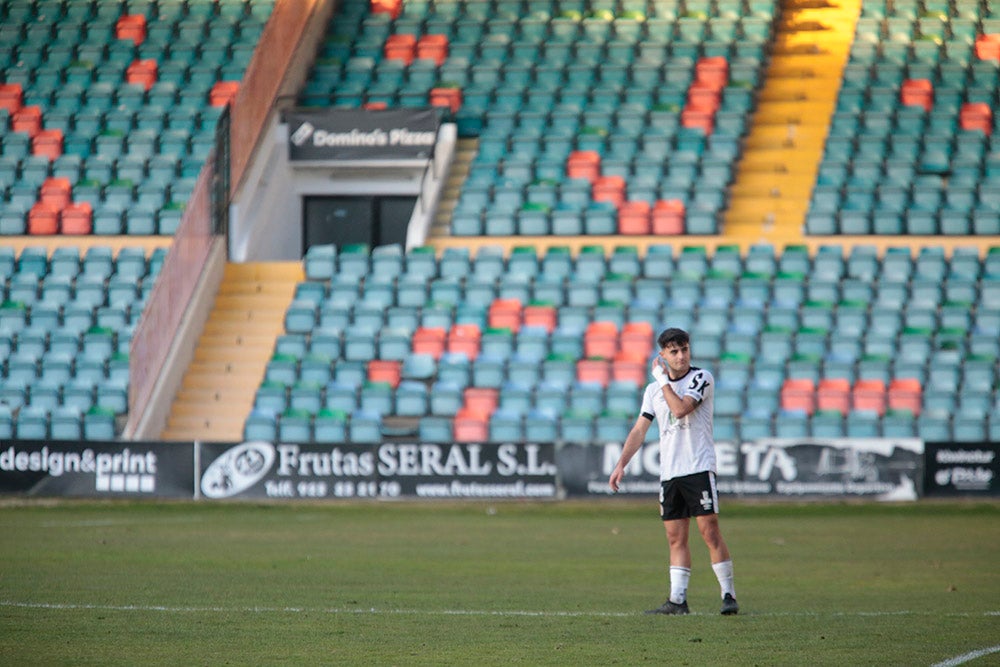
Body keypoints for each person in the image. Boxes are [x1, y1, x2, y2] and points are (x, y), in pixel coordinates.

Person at [608, 327, 739, 616]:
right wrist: (621, 464)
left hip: (698, 467)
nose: (681, 356)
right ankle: (677, 600)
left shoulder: (701, 378)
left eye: (684, 349)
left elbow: (680, 410)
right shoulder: (653, 390)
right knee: (675, 538)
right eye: (674, 351)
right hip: (670, 473)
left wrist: (661, 380)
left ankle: (728, 594)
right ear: (663, 355)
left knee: (709, 531)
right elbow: (640, 429)